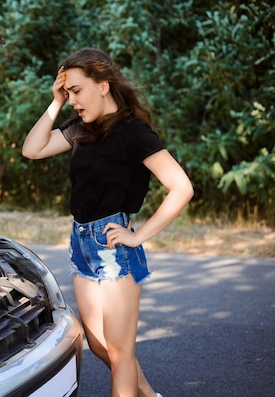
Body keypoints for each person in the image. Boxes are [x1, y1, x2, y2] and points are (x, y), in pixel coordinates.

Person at [22, 48, 193, 397]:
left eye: (76, 91)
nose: (72, 100)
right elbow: (32, 149)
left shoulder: (134, 132)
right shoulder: (81, 129)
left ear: (103, 85)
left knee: (120, 351)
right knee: (101, 346)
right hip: (81, 245)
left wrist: (137, 235)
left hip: (114, 246)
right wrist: (54, 103)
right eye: (67, 93)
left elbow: (181, 187)